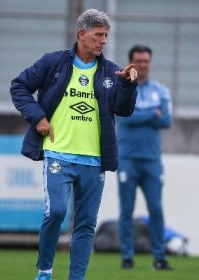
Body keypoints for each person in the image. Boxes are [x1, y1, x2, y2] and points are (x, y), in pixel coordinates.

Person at [10, 9, 138, 280]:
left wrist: (127, 86)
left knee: (86, 224)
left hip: (94, 160)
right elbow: (19, 86)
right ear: (82, 34)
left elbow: (123, 110)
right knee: (56, 211)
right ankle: (45, 271)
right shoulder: (53, 62)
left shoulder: (112, 72)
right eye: (98, 35)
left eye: (106, 35)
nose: (103, 41)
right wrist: (38, 118)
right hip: (58, 155)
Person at [116, 45, 172, 270]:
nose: (143, 65)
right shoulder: (123, 89)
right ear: (131, 63)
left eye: (146, 61)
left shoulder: (161, 91)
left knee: (156, 209)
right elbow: (125, 118)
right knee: (126, 211)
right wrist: (152, 114)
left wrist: (140, 114)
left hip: (151, 161)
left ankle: (159, 257)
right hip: (127, 159)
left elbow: (166, 120)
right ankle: (127, 257)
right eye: (138, 61)